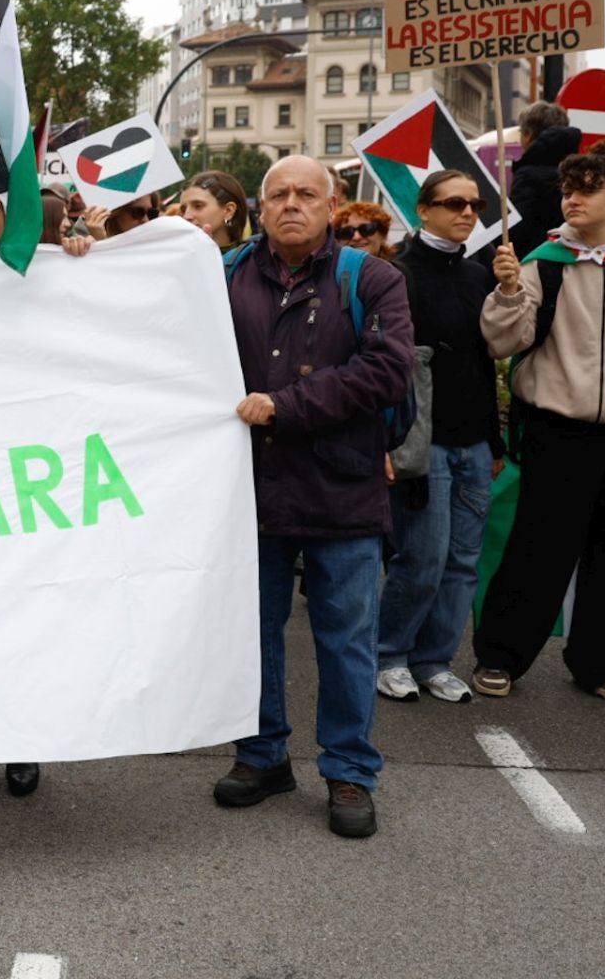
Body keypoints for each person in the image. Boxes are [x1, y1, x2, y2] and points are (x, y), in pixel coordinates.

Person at [213, 155, 413, 840]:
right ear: (260, 209)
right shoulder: (225, 275)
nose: (291, 204)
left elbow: (385, 371)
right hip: (250, 494)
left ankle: (350, 771)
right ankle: (263, 756)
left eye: (306, 194)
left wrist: (285, 407)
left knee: (347, 640)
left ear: (333, 206)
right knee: (253, 636)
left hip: (341, 490)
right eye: (278, 194)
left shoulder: (374, 278)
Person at [472, 139, 605, 703]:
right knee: (539, 547)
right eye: (566, 190)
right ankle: (500, 657)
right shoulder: (543, 262)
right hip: (560, 431)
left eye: (587, 190)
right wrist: (509, 290)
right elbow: (503, 341)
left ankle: (597, 660)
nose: (571, 200)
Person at [0, 167, 90, 800]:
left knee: (22, 614)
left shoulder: (47, 273)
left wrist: (86, 256)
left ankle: (24, 739)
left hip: (27, 480)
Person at [374, 172, 502, 705]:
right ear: (422, 210)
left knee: (461, 564)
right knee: (421, 558)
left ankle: (434, 659)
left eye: (476, 204)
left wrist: (494, 443)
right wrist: (386, 441)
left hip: (474, 441)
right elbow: (385, 368)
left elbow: (487, 362)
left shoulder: (479, 277)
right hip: (422, 443)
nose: (468, 213)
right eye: (455, 203)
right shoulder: (397, 274)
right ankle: (390, 654)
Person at [500, 101, 582, 261]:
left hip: (534, 261)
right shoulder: (578, 169)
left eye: (521, 133)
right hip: (572, 258)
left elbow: (517, 229)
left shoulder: (529, 173)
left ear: (528, 135)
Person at [179, 170, 252, 253]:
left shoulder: (252, 260)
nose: (186, 216)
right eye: (184, 209)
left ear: (229, 211)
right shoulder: (174, 257)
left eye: (198, 206)